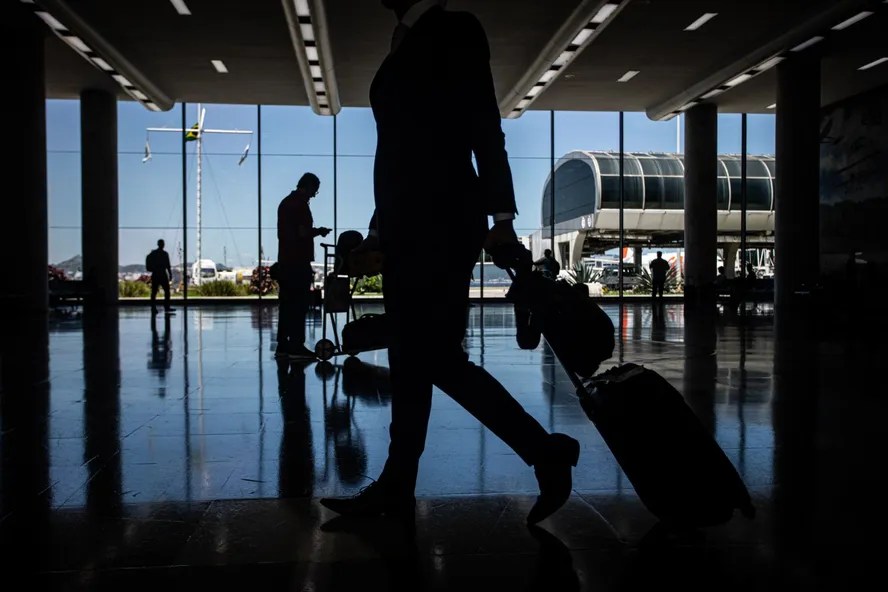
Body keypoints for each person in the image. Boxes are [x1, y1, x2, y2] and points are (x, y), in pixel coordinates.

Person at [319, 0, 580, 528]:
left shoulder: (453, 28)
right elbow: (398, 152)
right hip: (407, 226)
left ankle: (542, 450)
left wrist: (502, 216)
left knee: (429, 356)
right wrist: (378, 229)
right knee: (417, 359)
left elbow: (485, 126)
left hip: (441, 224)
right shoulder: (404, 40)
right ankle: (400, 483)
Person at [276, 172, 331, 360]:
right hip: (298, 261)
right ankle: (296, 346)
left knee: (286, 304)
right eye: (314, 191)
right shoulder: (299, 205)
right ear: (307, 187)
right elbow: (302, 232)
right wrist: (319, 231)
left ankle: (283, 345)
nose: (314, 195)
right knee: (299, 304)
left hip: (285, 259)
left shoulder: (285, 202)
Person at [146, 239, 174, 315]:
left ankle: (153, 308)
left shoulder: (153, 253)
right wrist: (170, 274)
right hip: (163, 274)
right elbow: (168, 265)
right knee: (166, 291)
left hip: (155, 274)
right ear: (162, 244)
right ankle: (166, 307)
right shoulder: (165, 254)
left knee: (154, 292)